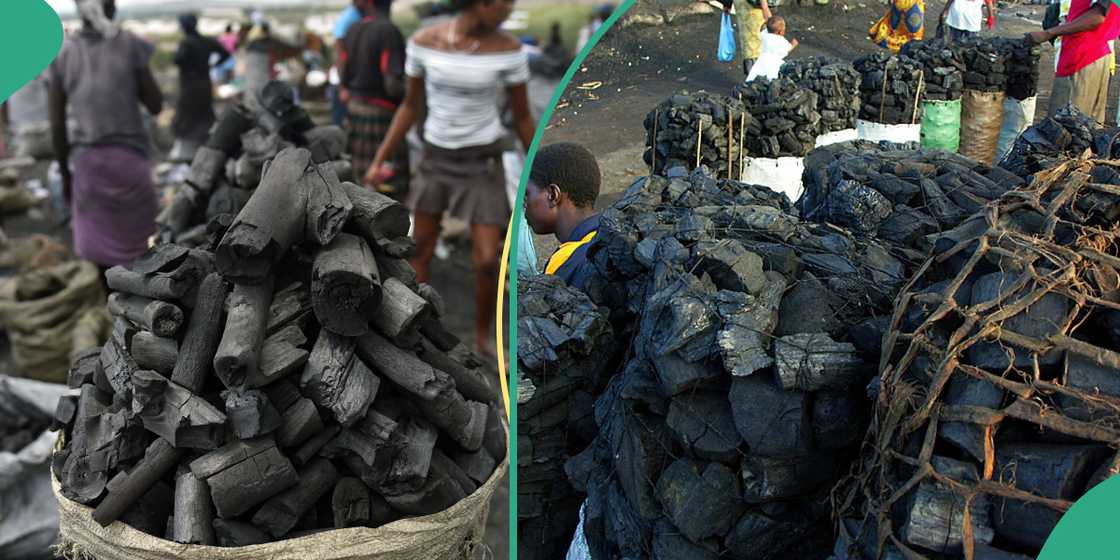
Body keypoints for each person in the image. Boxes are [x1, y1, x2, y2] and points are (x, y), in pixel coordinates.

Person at [365, 0, 535, 359]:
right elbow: (410, 106)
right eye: (502, 5)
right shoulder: (426, 43)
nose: (507, 12)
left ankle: (483, 338)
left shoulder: (508, 50)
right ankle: (419, 327)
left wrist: (537, 163)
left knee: (489, 260)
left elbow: (521, 117)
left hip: (482, 164)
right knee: (421, 247)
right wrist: (379, 159)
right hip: (436, 160)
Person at [49, 0, 162, 279]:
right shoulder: (129, 44)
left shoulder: (63, 53)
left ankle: (110, 311)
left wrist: (65, 175)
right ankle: (142, 312)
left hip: (89, 170)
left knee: (99, 255)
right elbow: (156, 104)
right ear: (108, 8)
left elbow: (57, 124)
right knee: (141, 254)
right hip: (130, 164)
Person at [340, 0, 409, 199]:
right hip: (383, 119)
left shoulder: (352, 30)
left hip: (354, 113)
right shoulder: (388, 31)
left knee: (359, 183)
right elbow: (392, 86)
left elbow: (344, 76)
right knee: (389, 187)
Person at [523, 143, 601, 291]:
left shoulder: (564, 263)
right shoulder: (611, 231)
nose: (524, 205)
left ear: (553, 195)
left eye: (526, 195)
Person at [1028, 0, 1120, 122]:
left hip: (1083, 56)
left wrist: (1049, 33)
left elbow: (1096, 17)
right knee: (1088, 125)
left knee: (1066, 123)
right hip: (1096, 52)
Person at [171, 14, 230, 162]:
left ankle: (188, 155)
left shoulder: (186, 43)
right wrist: (212, 65)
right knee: (205, 114)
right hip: (204, 83)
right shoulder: (206, 41)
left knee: (187, 116)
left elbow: (177, 60)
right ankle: (209, 147)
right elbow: (225, 54)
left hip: (190, 86)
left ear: (184, 27)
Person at [331, 0, 364, 127]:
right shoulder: (350, 18)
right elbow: (340, 53)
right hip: (343, 82)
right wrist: (342, 87)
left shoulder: (359, 16)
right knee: (340, 126)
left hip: (348, 82)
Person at [723, 0, 770, 76]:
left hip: (742, 5)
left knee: (748, 40)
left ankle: (752, 74)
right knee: (757, 39)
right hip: (754, 7)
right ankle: (757, 75)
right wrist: (765, 7)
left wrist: (727, 4)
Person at [746, 15, 797, 82]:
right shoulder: (781, 40)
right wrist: (793, 44)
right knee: (772, 78)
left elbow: (762, 29)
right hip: (774, 63)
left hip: (762, 60)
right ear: (780, 32)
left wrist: (766, 22)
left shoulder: (765, 35)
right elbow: (787, 49)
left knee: (755, 74)